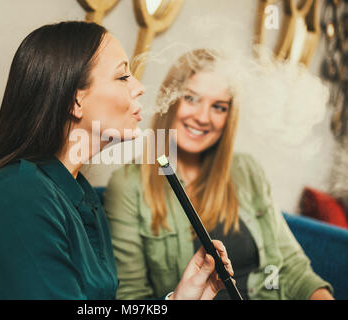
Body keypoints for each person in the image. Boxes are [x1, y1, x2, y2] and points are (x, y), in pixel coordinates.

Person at [0, 22, 233, 300]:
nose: (139, 88)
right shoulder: (18, 195)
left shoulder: (79, 193)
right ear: (75, 101)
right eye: (122, 76)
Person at [103, 49, 334, 300]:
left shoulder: (246, 170)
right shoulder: (128, 185)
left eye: (219, 107)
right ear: (170, 101)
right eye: (191, 98)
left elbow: (292, 267)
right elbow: (131, 298)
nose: (203, 117)